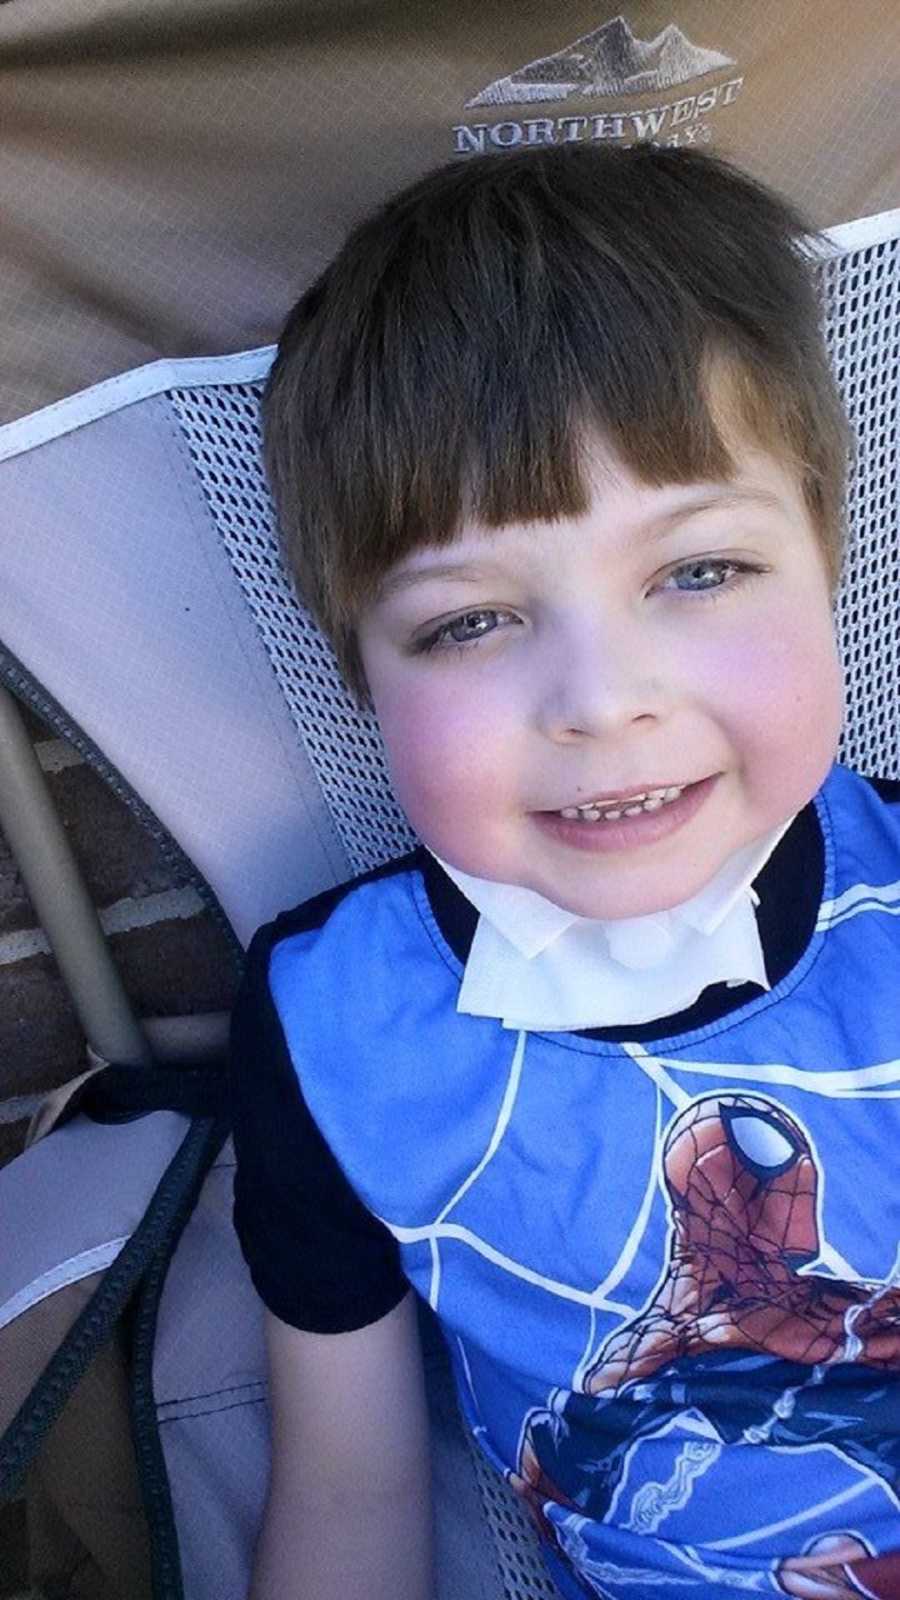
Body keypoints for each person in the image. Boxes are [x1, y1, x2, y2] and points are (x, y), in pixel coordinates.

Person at [228, 140, 900, 1600]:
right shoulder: (335, 1032)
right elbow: (348, 1492)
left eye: (698, 571)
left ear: (826, 561)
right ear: (363, 674)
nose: (604, 701)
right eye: (468, 623)